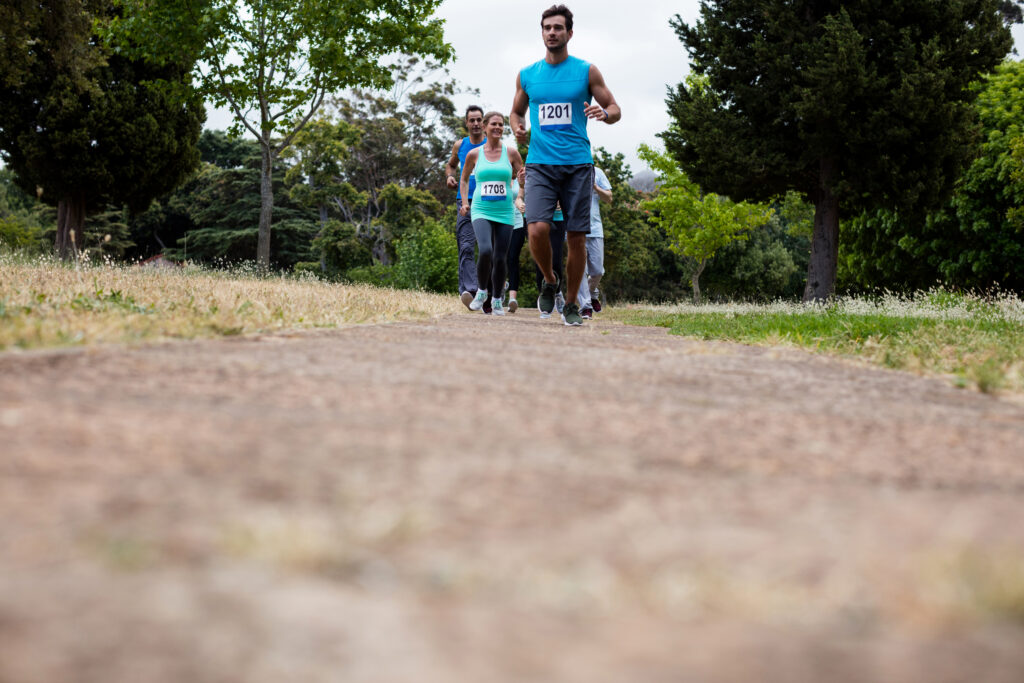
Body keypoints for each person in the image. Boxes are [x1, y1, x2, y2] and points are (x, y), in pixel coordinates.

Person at [511, 4, 620, 325]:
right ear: (541, 32)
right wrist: (517, 125)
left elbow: (614, 107)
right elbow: (515, 111)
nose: (552, 33)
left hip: (577, 164)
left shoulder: (586, 71)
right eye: (547, 28)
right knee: (537, 229)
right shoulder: (528, 75)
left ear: (569, 33)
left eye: (558, 28)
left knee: (576, 236)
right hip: (541, 164)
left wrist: (605, 114)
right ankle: (550, 279)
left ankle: (571, 304)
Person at [459, 111, 525, 315]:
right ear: (486, 126)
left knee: (500, 257)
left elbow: (521, 178)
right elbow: (463, 180)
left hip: (504, 210)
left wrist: (521, 190)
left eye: (501, 124)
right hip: (481, 208)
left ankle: (497, 299)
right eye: (494, 124)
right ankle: (481, 291)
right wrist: (464, 202)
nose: (498, 127)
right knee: (485, 250)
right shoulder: (474, 154)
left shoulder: (512, 152)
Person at [445, 106, 487, 311]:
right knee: (466, 246)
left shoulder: (493, 144)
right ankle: (469, 291)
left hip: (489, 201)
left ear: (484, 122)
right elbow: (450, 165)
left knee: (489, 250)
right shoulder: (460, 145)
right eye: (472, 120)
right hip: (465, 200)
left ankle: (490, 289)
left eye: (479, 120)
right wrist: (450, 176)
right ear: (466, 123)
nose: (476, 124)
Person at [577, 165, 612, 318]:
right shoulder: (569, 170)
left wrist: (596, 187)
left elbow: (609, 198)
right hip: (575, 228)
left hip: (595, 228)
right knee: (580, 270)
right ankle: (585, 306)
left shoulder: (597, 172)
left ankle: (592, 293)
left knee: (597, 271)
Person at [506, 167, 527, 313]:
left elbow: (520, 196)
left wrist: (521, 185)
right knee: (498, 258)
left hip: (518, 224)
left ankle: (512, 298)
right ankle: (499, 288)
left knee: (512, 258)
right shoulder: (499, 179)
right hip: (499, 223)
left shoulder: (520, 181)